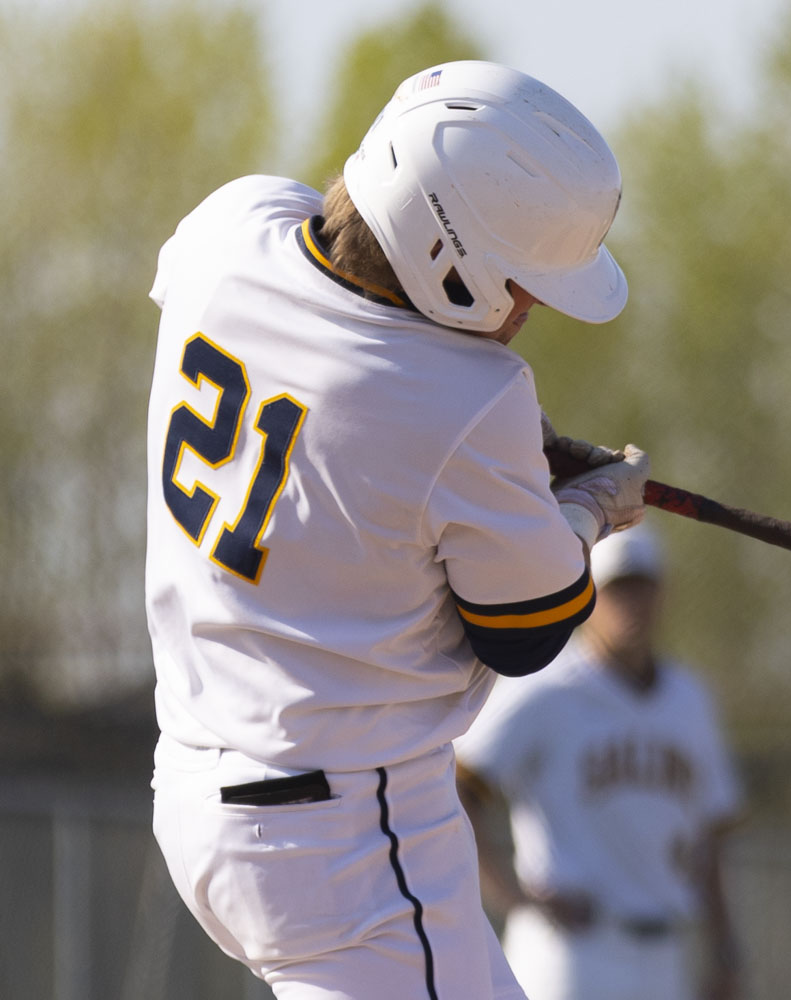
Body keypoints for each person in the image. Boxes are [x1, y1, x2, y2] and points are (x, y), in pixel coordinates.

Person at [145, 61, 650, 999]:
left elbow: (317, 358)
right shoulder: (473, 399)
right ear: (446, 249)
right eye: (523, 281)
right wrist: (587, 509)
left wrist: (490, 472)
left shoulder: (232, 224)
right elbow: (530, 629)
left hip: (196, 787)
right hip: (346, 841)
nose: (531, 308)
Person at [456, 523, 745, 1000]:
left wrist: (725, 949)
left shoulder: (690, 699)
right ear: (589, 595)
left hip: (665, 948)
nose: (631, 604)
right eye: (617, 590)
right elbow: (459, 784)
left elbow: (710, 835)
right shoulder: (545, 687)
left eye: (642, 587)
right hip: (572, 950)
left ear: (662, 593)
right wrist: (511, 896)